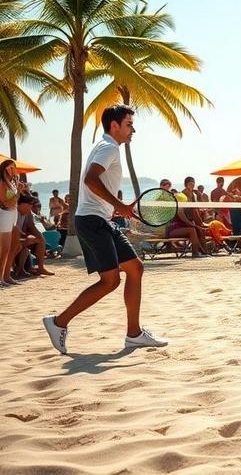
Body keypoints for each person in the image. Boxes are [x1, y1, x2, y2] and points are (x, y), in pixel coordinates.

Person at [42, 105, 167, 354]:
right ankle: (58, 322)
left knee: (135, 268)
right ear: (114, 125)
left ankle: (134, 334)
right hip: (92, 221)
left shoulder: (106, 147)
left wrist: (116, 208)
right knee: (110, 281)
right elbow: (90, 179)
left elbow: (93, 182)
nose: (133, 129)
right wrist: (119, 205)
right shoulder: (109, 147)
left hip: (99, 220)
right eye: (129, 124)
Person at [12, 194, 53, 277]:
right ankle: (17, 269)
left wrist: (39, 237)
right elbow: (13, 233)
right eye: (30, 205)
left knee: (40, 240)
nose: (31, 208)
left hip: (20, 239)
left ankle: (40, 268)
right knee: (21, 245)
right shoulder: (13, 213)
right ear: (22, 204)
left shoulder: (28, 213)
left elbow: (31, 226)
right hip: (11, 240)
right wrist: (26, 239)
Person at [1, 159, 20, 287]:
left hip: (12, 213)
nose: (12, 169)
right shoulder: (2, 182)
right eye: (9, 167)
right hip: (4, 213)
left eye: (13, 167)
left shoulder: (11, 182)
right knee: (4, 249)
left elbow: (13, 200)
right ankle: (1, 278)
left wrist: (17, 188)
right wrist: (17, 193)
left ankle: (5, 276)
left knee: (10, 248)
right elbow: (5, 201)